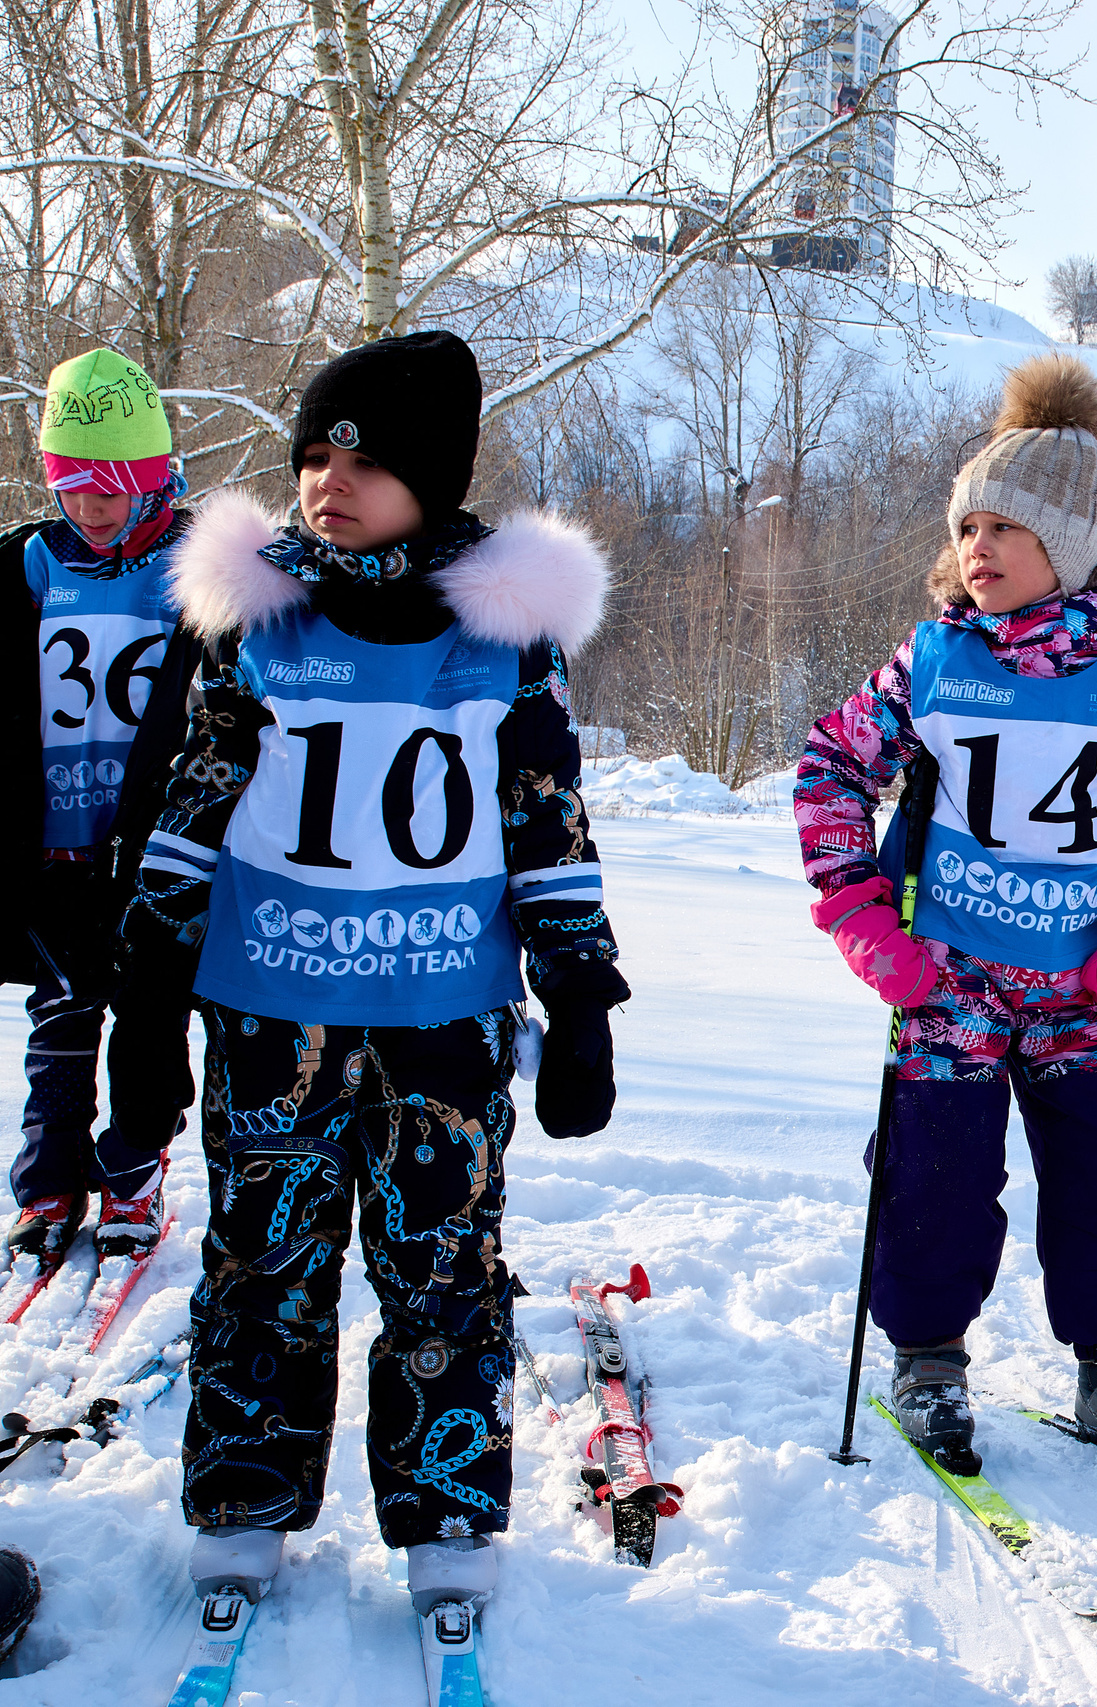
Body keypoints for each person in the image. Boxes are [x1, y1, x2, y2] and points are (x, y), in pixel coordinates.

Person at [120, 329, 625, 1617]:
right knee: (258, 1266)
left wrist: (579, 996)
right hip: (271, 1012)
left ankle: (448, 1515)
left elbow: (546, 817)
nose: (327, 478)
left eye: (364, 456)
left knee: (442, 1270)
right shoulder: (258, 616)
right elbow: (195, 795)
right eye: (311, 453)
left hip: (438, 1020)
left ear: (434, 479)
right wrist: (149, 976)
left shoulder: (498, 633)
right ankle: (242, 1500)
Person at [795, 353, 1097, 1480]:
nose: (975, 548)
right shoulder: (936, 661)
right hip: (948, 976)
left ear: (1072, 547)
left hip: (1085, 980)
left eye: (1007, 527)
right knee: (935, 1173)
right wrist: (859, 914)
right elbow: (832, 768)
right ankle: (928, 1359)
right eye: (968, 525)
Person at [1, 348, 202, 1263]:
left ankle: (133, 1171)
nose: (88, 504)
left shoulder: (198, 568)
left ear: (153, 481)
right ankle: (48, 1183)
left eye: (111, 486)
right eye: (71, 483)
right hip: (56, 843)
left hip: (158, 845)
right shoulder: (32, 566)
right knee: (62, 1010)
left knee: (151, 1020)